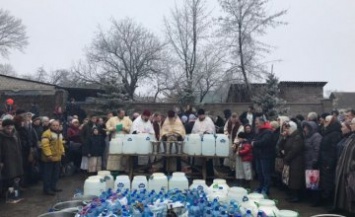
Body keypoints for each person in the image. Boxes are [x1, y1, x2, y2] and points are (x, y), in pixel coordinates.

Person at [318, 115, 342, 207]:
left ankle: (330, 203)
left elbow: (333, 150)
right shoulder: (328, 132)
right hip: (324, 161)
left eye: (327, 121)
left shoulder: (334, 134)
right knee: (325, 182)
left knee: (329, 183)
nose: (325, 123)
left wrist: (330, 163)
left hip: (328, 163)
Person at [279, 121, 305, 202]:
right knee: (290, 178)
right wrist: (283, 138)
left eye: (288, 128)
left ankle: (296, 196)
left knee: (295, 179)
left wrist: (287, 158)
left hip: (296, 160)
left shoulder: (297, 137)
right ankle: (292, 195)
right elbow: (281, 146)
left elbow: (295, 150)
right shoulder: (289, 136)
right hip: (290, 160)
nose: (286, 129)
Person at [333, 117, 355, 214]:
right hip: (345, 170)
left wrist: (351, 166)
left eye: (353, 124)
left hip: (351, 172)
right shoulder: (351, 138)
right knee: (345, 194)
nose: (351, 125)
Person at [0, 119, 24, 202]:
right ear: (4, 127)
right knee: (9, 180)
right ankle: (10, 196)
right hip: (7, 161)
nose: (9, 128)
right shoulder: (1, 136)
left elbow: (19, 146)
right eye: (7, 126)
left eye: (11, 126)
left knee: (16, 179)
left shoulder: (15, 134)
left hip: (17, 159)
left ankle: (16, 195)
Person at [41, 120, 65, 195]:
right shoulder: (46, 134)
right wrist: (49, 155)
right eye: (53, 125)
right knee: (48, 175)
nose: (55, 126)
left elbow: (60, 144)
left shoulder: (59, 134)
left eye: (57, 125)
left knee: (55, 174)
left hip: (57, 157)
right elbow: (45, 146)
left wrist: (63, 151)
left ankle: (53, 187)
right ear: (50, 125)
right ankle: (47, 189)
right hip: (49, 158)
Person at [301, 120, 322, 205]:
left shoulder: (316, 136)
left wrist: (315, 161)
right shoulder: (307, 136)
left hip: (312, 162)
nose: (305, 129)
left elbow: (317, 149)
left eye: (306, 127)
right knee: (309, 182)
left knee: (313, 182)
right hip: (307, 161)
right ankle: (310, 198)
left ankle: (315, 200)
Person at [252, 116, 274, 195]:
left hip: (265, 156)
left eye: (257, 123)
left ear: (262, 122)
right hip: (259, 156)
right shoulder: (260, 131)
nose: (256, 125)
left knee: (265, 173)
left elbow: (264, 142)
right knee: (259, 172)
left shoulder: (268, 132)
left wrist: (254, 143)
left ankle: (266, 189)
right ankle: (261, 186)